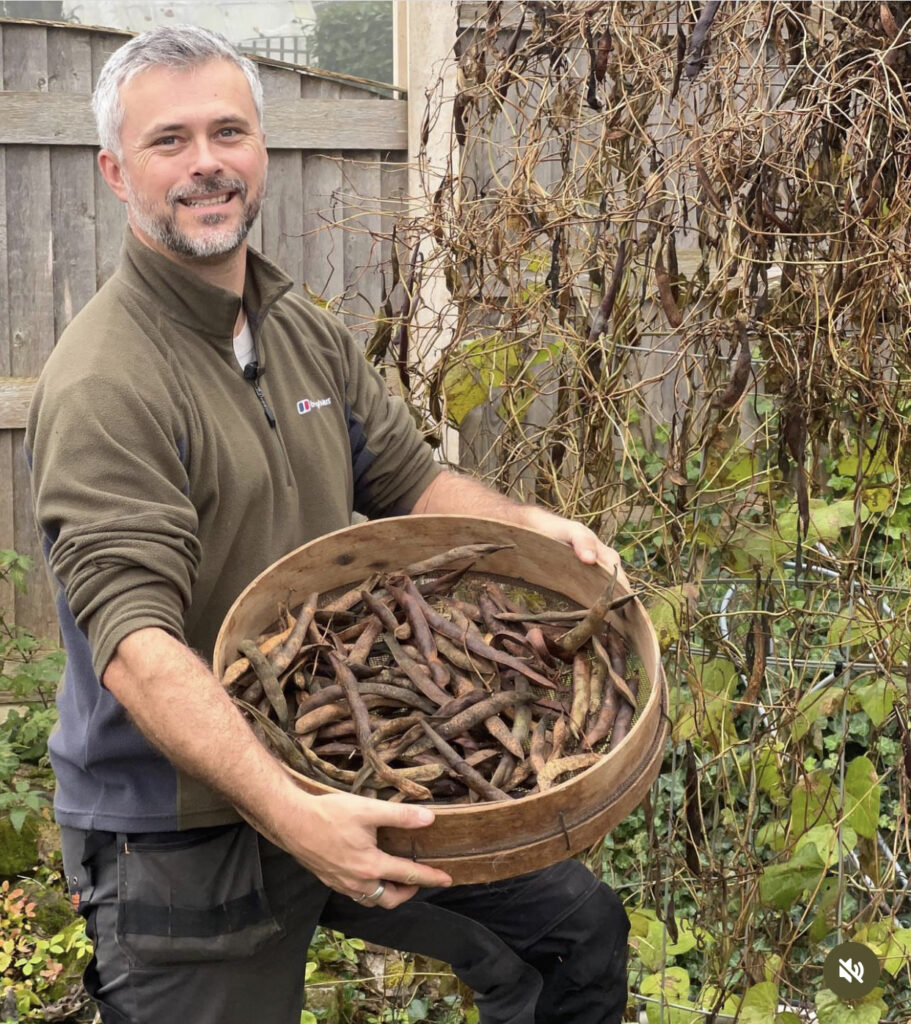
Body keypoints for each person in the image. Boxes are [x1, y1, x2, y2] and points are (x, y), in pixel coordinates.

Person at [25, 26, 630, 1024]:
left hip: (345, 759)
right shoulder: (107, 383)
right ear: (113, 171)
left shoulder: (295, 328)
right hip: (184, 823)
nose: (207, 161)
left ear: (262, 149)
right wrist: (291, 811)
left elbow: (407, 484)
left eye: (228, 131)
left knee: (569, 942)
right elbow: (133, 644)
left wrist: (530, 529)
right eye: (168, 140)